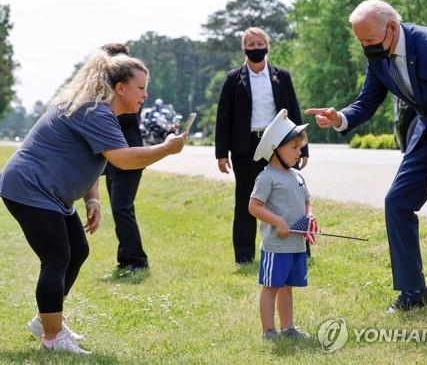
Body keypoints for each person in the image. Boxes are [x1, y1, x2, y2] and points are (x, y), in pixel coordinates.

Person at [305, 0, 427, 325]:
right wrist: (340, 117)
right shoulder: (379, 55)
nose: (365, 47)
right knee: (397, 202)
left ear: (392, 28)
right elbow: (367, 102)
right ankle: (413, 292)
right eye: (360, 41)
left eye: (368, 40)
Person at [0, 50, 187, 353]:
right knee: (57, 257)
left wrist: (93, 201)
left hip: (49, 192)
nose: (146, 94)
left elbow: (91, 159)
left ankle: (46, 321)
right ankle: (51, 339)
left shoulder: (99, 112)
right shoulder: (95, 112)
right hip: (30, 188)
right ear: (121, 88)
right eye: (141, 88)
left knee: (78, 250)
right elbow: (123, 160)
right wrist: (165, 148)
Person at [216, 27, 309, 265]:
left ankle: (300, 248)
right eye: (251, 44)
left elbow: (295, 111)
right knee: (246, 199)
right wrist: (221, 153)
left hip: (280, 144)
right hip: (245, 147)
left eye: (260, 44)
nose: (256, 48)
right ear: (244, 48)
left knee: (289, 196)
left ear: (267, 46)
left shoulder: (282, 77)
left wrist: (303, 148)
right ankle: (244, 256)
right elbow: (223, 117)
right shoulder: (233, 79)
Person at [249, 109, 313, 340]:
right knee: (272, 287)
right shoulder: (267, 178)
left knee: (287, 286)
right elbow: (254, 206)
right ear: (276, 148)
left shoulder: (297, 176)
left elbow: (307, 202)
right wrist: (277, 222)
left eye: (300, 147)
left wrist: (309, 218)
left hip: (296, 245)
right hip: (276, 246)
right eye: (294, 148)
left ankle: (288, 328)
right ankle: (268, 331)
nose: (299, 152)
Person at [101, 43, 148, 273]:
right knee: (119, 208)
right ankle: (125, 258)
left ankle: (137, 260)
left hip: (129, 155)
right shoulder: (107, 94)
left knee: (122, 209)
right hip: (113, 158)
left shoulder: (127, 93)